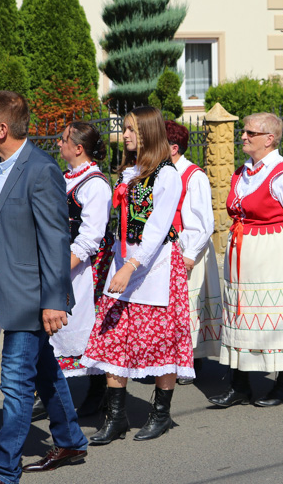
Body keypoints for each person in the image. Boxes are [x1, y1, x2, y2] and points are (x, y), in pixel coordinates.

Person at [0, 91, 88, 484]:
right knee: (43, 371)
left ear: (2, 129)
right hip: (7, 291)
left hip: (30, 298)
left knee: (15, 382)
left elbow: (56, 240)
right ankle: (71, 440)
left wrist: (54, 300)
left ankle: (3, 470)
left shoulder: (40, 169)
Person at [81, 107, 193, 443]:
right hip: (124, 263)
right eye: (125, 129)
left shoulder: (167, 175)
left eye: (132, 130)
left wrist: (131, 265)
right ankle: (116, 418)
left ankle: (161, 414)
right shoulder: (129, 172)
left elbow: (158, 229)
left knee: (160, 341)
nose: (126, 135)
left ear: (148, 133)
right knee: (114, 338)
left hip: (155, 267)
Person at [208, 112, 283, 408]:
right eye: (244, 132)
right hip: (244, 253)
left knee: (277, 314)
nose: (243, 137)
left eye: (250, 133)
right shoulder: (243, 171)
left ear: (269, 139)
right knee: (241, 313)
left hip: (274, 252)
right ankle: (240, 384)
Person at [52, 121, 113, 414]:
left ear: (78, 148)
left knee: (88, 326)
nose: (58, 144)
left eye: (64, 140)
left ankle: (98, 389)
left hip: (87, 267)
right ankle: (48, 389)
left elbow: (91, 236)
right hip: (65, 259)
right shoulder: (65, 177)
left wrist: (61, 268)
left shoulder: (95, 184)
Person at [165, 120, 221, 384]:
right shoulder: (161, 172)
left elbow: (203, 222)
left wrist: (190, 254)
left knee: (189, 305)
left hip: (188, 249)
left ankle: (191, 359)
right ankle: (172, 356)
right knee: (171, 306)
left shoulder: (193, 175)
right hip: (166, 248)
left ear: (173, 148)